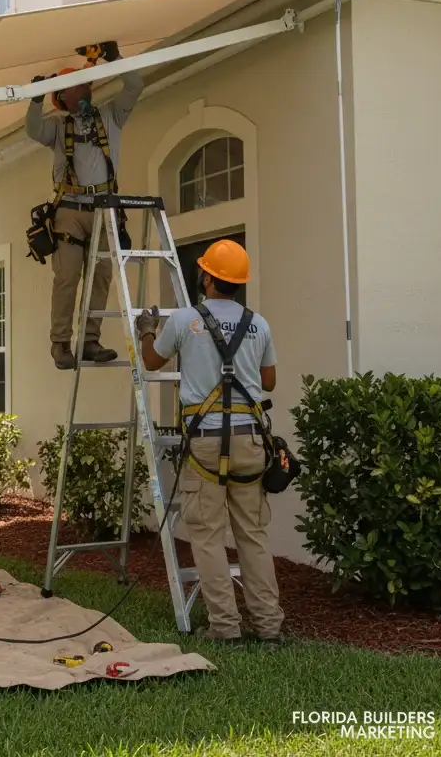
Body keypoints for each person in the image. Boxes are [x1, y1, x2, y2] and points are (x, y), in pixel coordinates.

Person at [134, 238, 284, 644]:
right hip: (251, 440)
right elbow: (268, 381)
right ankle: (268, 626)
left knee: (208, 535)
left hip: (204, 442)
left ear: (206, 277)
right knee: (252, 535)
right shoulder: (259, 322)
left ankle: (225, 628)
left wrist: (147, 331)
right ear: (237, 283)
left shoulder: (185, 321)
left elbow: (151, 362)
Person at [26, 42, 144, 370]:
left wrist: (114, 57)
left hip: (104, 207)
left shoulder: (111, 115)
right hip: (70, 209)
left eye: (85, 83)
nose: (84, 87)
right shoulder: (58, 126)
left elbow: (135, 85)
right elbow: (32, 129)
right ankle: (61, 344)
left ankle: (90, 341)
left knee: (103, 274)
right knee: (67, 276)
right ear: (62, 97)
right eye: (75, 85)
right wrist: (37, 99)